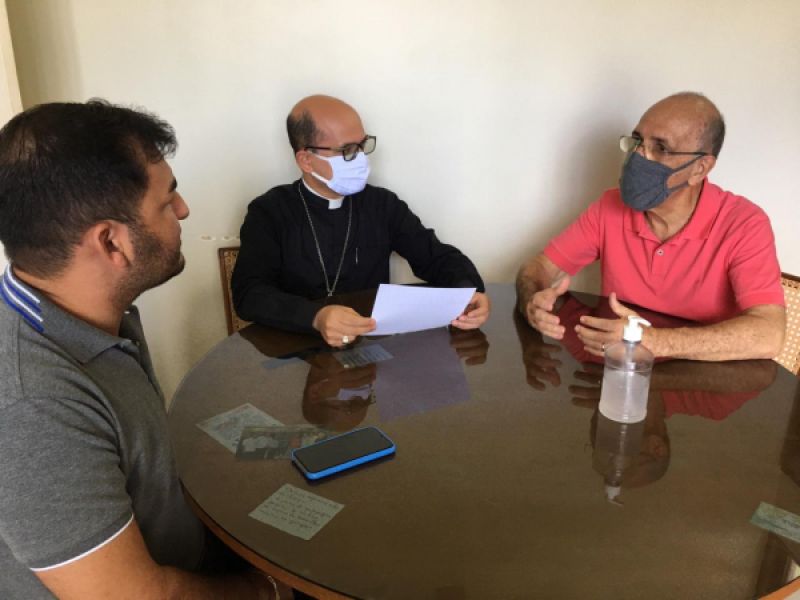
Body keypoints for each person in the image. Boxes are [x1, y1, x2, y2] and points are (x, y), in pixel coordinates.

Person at [0, 101, 289, 599]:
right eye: (167, 199)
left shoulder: (90, 316)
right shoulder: (34, 403)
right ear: (111, 243)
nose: (184, 209)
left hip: (186, 550)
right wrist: (269, 591)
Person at [516, 92, 786, 361]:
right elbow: (538, 268)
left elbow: (769, 334)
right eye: (637, 141)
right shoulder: (610, 207)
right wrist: (533, 301)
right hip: (621, 371)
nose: (639, 156)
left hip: (704, 379)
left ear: (699, 169)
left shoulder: (744, 224)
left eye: (661, 148)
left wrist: (652, 340)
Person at [232, 94, 490, 347]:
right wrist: (315, 317)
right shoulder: (269, 212)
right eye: (347, 150)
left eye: (362, 145)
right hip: (296, 347)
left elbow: (436, 257)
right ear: (306, 160)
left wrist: (469, 291)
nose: (361, 158)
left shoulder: (382, 204)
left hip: (370, 345)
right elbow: (250, 294)